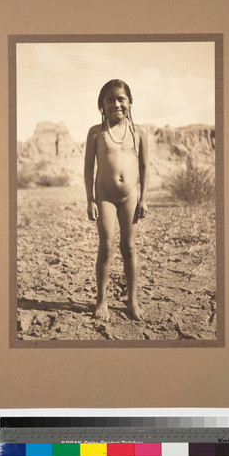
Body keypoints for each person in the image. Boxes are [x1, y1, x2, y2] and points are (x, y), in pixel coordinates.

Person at [84, 79, 148, 321]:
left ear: (130, 102)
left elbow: (144, 166)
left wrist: (144, 198)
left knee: (129, 248)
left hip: (131, 196)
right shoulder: (96, 132)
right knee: (107, 245)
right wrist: (90, 199)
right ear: (102, 104)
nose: (116, 104)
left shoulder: (139, 132)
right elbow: (89, 168)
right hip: (105, 197)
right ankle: (101, 301)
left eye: (121, 99)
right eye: (110, 99)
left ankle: (132, 301)